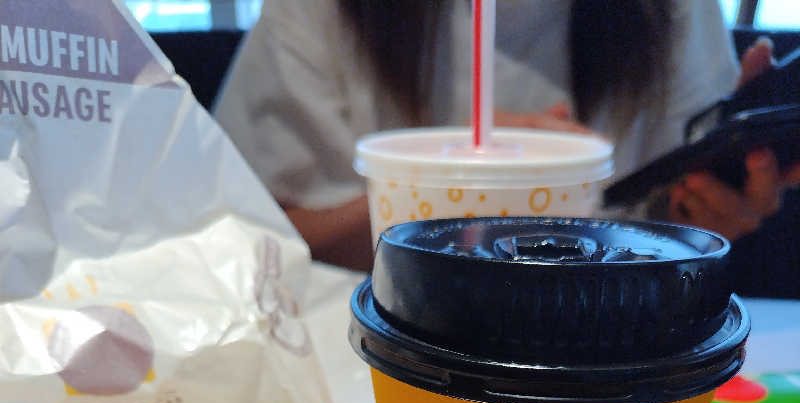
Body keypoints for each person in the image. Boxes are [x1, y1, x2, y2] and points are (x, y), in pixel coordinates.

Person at [214, 0, 800, 271]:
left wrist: (707, 212)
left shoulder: (668, 14)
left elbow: (668, 224)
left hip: (598, 352)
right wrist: (451, 188)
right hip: (371, 360)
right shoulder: (318, 15)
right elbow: (235, 239)